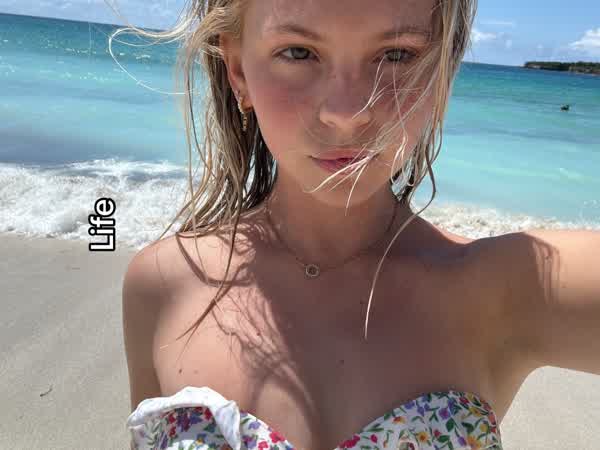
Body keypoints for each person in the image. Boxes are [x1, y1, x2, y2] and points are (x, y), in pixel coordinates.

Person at [121, 1, 600, 449]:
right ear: (238, 71)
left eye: (396, 55)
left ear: (441, 75)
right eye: (298, 52)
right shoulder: (162, 287)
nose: (346, 114)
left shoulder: (507, 291)